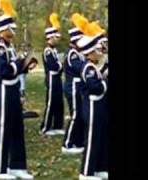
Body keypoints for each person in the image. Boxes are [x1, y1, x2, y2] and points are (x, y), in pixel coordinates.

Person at [0, 0, 33, 179]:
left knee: (17, 128)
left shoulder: (10, 47)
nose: (14, 30)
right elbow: (4, 71)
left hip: (13, 90)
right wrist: (18, 64)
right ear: (3, 29)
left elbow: (14, 69)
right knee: (4, 128)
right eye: (11, 28)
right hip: (4, 91)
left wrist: (25, 65)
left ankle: (17, 166)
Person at [77, 25, 108, 180]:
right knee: (91, 139)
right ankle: (86, 172)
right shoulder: (87, 68)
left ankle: (100, 168)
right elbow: (96, 87)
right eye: (96, 50)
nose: (99, 52)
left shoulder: (93, 66)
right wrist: (106, 82)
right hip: (92, 106)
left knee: (101, 137)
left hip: (99, 106)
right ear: (89, 52)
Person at [61, 13, 87, 154]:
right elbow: (80, 68)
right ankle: (67, 143)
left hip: (78, 87)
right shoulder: (72, 54)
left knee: (81, 115)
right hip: (73, 87)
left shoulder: (79, 53)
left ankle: (78, 141)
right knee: (75, 115)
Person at [39, 13, 65, 136]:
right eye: (56, 37)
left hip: (57, 78)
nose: (58, 39)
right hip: (51, 78)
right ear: (50, 37)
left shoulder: (54, 50)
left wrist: (60, 65)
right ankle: (45, 127)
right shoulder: (47, 51)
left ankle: (57, 125)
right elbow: (54, 66)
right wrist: (60, 64)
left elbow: (59, 65)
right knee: (50, 103)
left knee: (59, 102)